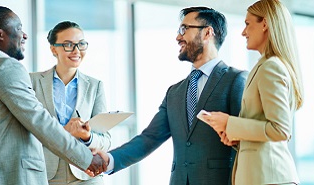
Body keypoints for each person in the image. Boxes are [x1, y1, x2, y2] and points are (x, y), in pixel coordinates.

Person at [95, 6, 248, 185]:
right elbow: (150, 138)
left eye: (184, 29)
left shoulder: (235, 79)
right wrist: (110, 159)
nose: (178, 37)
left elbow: (245, 139)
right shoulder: (175, 92)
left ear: (208, 33)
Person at [0, 6, 105, 185]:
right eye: (18, 28)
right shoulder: (7, 68)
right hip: (11, 178)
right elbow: (41, 122)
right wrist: (86, 158)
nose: (24, 35)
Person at [202, 0, 302, 184]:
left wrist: (229, 122)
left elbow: (280, 130)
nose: (243, 32)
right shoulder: (266, 66)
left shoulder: (271, 67)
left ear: (264, 24)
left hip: (271, 179)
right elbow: (267, 130)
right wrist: (236, 135)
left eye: (248, 24)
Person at [29, 21, 111, 185]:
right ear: (53, 49)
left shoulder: (95, 86)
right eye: (68, 45)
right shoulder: (32, 83)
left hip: (87, 174)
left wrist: (87, 136)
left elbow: (106, 141)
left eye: (81, 44)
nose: (76, 51)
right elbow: (25, 133)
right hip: (45, 174)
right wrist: (63, 132)